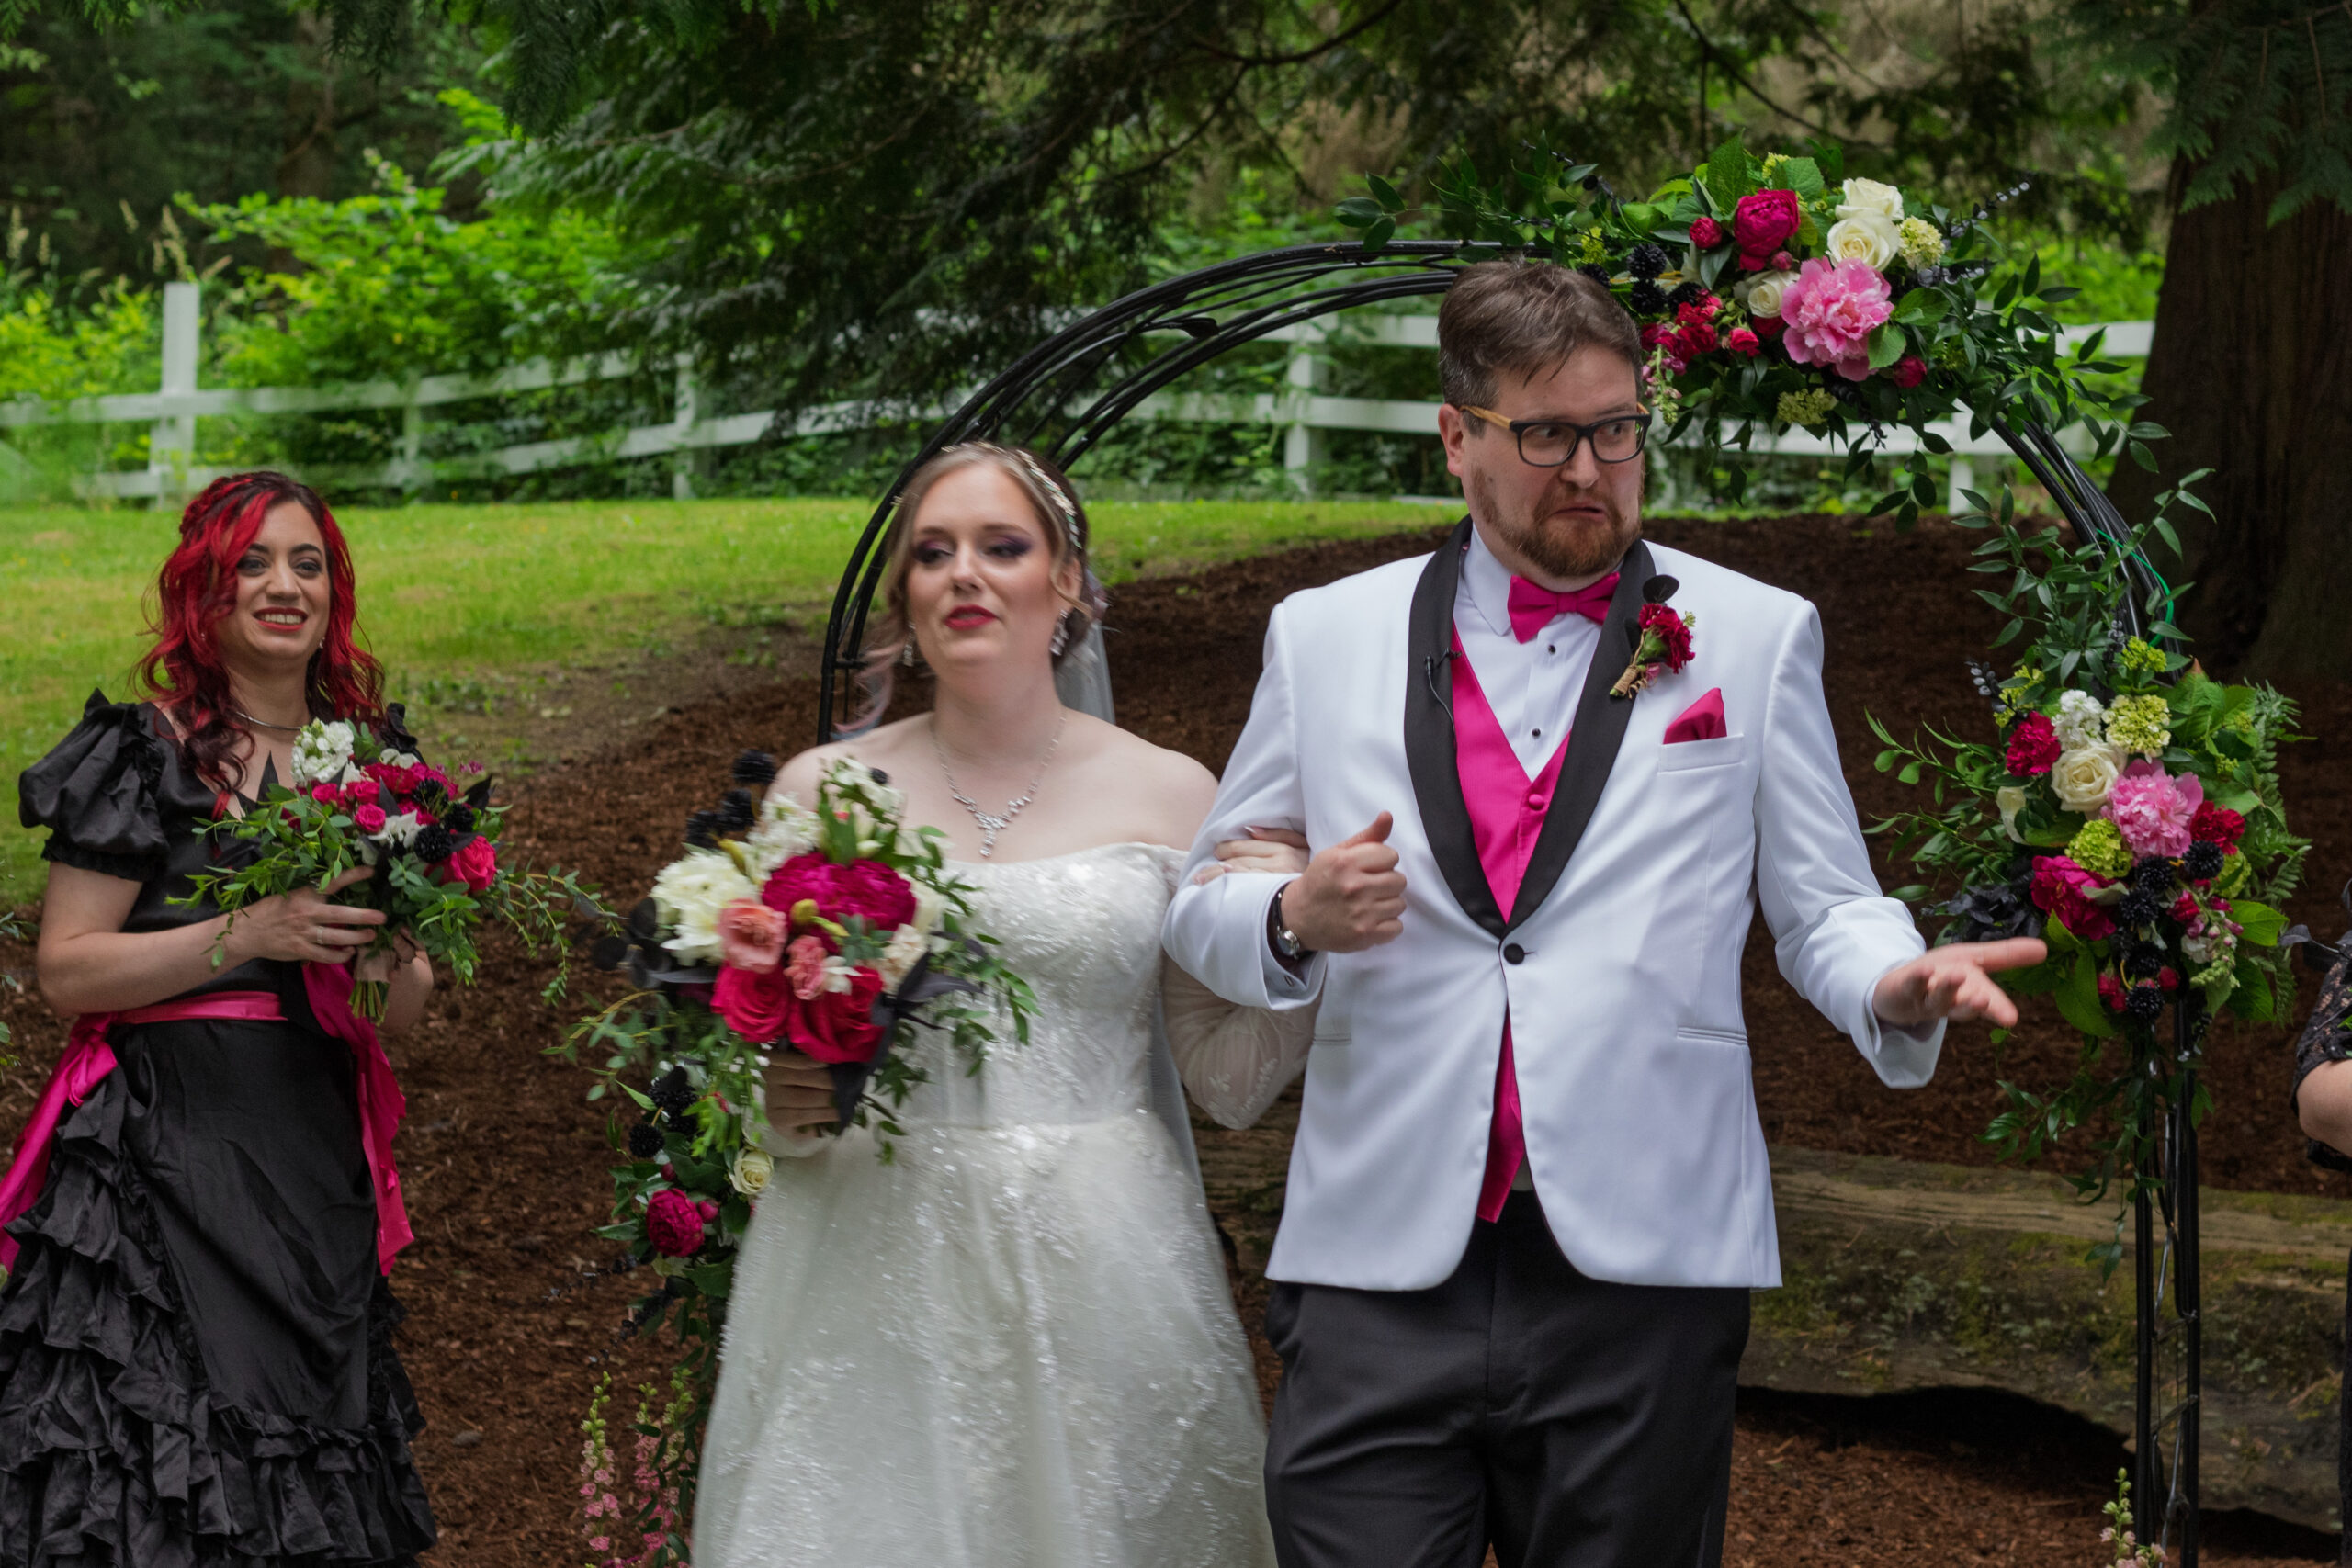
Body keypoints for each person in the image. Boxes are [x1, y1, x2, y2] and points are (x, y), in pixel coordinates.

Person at [1160, 259, 2046, 1568]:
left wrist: (1891, 981)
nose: (1592, 467)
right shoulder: (1324, 634)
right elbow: (1202, 904)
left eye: (1619, 428)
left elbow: (1823, 904)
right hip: (1381, 1249)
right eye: (1548, 434)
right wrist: (1292, 913)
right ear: (1455, 435)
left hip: (1643, 1265)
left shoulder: (1753, 633)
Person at [692, 443, 1310, 1568]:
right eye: (933, 554)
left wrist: (1304, 934)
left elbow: (1222, 1080)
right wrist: (778, 1097)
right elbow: (761, 1088)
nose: (963, 575)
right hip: (864, 1261)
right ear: (906, 597)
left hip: (1103, 1263)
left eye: (1001, 547)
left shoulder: (1171, 792)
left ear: (1065, 581)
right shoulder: (820, 795)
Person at [0, 472, 437, 1567]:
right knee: (158, 1470)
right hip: (161, 1158)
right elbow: (66, 970)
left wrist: (390, 939)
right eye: (254, 562)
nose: (284, 586)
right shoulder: (146, 752)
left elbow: (409, 1007)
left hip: (309, 1161)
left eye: (309, 564)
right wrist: (246, 935)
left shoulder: (376, 767)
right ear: (206, 587)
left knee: (308, 1476)